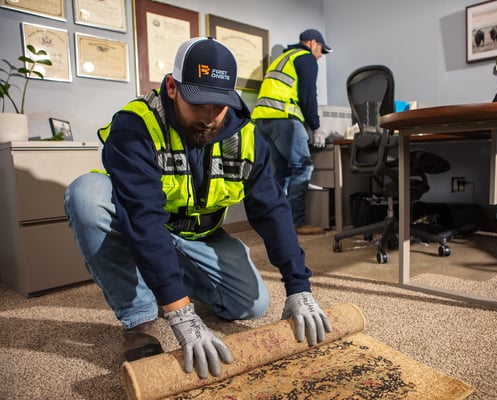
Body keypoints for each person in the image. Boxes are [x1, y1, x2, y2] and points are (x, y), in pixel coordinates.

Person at [64, 37, 331, 379]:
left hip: (200, 236)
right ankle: (140, 320)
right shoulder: (136, 127)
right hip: (147, 224)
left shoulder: (247, 138)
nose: (208, 119)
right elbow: (143, 220)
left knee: (251, 306)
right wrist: (181, 315)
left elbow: (274, 211)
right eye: (198, 104)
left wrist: (299, 286)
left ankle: (166, 273)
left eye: (218, 107)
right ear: (172, 88)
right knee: (86, 195)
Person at [251, 29, 332, 235]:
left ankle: (275, 222)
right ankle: (296, 223)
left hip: (262, 121)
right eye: (321, 50)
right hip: (284, 120)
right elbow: (308, 96)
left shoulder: (282, 59)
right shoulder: (305, 58)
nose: (321, 55)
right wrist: (316, 126)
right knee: (302, 168)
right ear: (313, 43)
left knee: (282, 172)